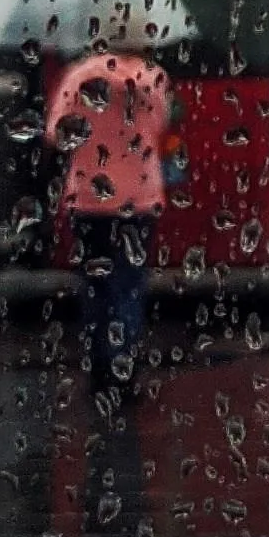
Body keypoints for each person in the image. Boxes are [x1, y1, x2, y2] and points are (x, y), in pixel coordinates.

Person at [45, 40, 177, 398]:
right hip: (140, 197)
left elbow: (56, 133)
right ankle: (124, 367)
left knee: (95, 285)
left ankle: (101, 368)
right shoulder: (152, 76)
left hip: (89, 198)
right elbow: (160, 127)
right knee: (129, 284)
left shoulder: (81, 75)